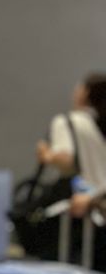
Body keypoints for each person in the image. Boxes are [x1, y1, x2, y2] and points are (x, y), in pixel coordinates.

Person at [38, 73, 106, 219]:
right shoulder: (98, 123)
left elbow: (66, 160)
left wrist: (46, 154)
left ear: (85, 93)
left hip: (82, 204)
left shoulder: (67, 122)